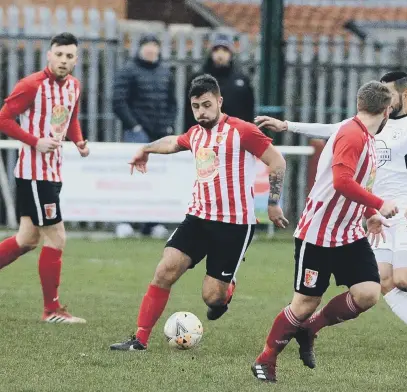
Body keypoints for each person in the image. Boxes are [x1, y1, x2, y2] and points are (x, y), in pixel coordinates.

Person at [255, 71, 407, 363]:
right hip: (378, 212)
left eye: (389, 94)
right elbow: (332, 129)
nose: (384, 99)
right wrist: (287, 125)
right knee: (380, 285)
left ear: (404, 95)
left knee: (404, 281)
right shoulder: (365, 127)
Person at [110, 74, 288, 351]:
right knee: (165, 270)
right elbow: (173, 142)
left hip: (234, 225)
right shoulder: (195, 133)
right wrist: (146, 149)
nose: (201, 112)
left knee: (212, 297)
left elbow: (277, 161)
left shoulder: (242, 131)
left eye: (207, 105)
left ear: (219, 101)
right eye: (196, 107)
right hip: (198, 218)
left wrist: (273, 203)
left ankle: (226, 291)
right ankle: (139, 339)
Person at [251, 81, 399, 382]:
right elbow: (342, 181)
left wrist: (369, 214)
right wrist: (380, 204)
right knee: (305, 303)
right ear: (386, 111)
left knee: (369, 293)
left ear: (360, 104)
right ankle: (265, 360)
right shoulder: (352, 135)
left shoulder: (364, 134)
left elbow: (359, 182)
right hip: (318, 234)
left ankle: (309, 330)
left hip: (348, 234)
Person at [0, 32, 89, 323]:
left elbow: (71, 119)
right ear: (49, 55)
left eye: (70, 56)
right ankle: (51, 311)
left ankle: (52, 310)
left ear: (76, 60)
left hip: (53, 172)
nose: (64, 60)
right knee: (57, 237)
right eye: (59, 54)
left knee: (27, 238)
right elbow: (3, 118)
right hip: (34, 175)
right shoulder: (31, 86)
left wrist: (78, 141)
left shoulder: (74, 86)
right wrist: (35, 141)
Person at [113, 33, 177, 238]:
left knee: (158, 180)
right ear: (140, 49)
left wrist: (168, 125)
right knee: (132, 179)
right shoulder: (128, 71)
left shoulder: (165, 72)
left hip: (160, 135)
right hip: (137, 135)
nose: (151, 50)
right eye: (147, 46)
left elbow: (172, 103)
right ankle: (124, 221)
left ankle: (152, 223)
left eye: (154, 46)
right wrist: (135, 126)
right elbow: (118, 101)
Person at [184, 33, 254, 130]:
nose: (220, 54)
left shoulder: (242, 80)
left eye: (225, 50)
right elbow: (189, 112)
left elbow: (248, 111)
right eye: (216, 50)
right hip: (205, 136)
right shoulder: (197, 80)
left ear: (230, 53)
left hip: (234, 136)